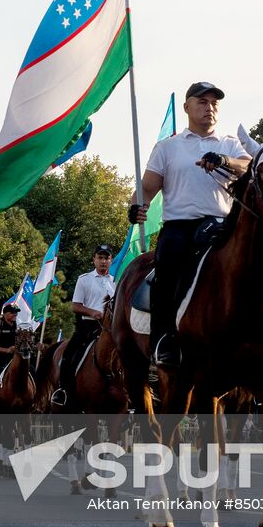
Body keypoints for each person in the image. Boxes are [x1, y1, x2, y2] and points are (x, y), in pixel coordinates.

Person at [129, 82, 250, 368]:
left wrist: (224, 160)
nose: (209, 108)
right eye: (202, 102)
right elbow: (147, 187)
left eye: (214, 103)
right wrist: (136, 206)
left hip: (222, 225)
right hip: (179, 227)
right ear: (187, 107)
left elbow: (248, 166)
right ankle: (163, 339)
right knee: (167, 268)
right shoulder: (168, 147)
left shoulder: (229, 143)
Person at [52, 243, 117, 406]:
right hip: (88, 327)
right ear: (93, 260)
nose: (103, 261)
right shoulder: (84, 279)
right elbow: (75, 305)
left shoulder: (114, 282)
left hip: (110, 329)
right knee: (70, 353)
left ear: (111, 260)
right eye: (100, 258)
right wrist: (93, 313)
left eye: (106, 258)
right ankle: (63, 391)